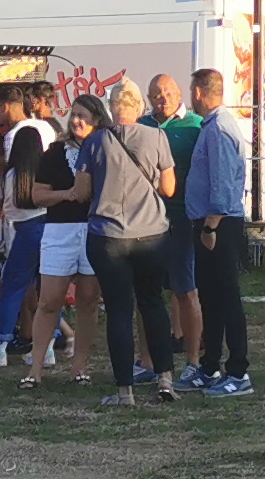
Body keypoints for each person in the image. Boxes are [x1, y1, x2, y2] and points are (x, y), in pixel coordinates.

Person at [74, 90, 182, 408]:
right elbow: (169, 188)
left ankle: (125, 391)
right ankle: (165, 379)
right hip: (151, 233)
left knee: (119, 310)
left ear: (111, 107)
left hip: (108, 235)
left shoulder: (94, 142)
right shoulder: (156, 136)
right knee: (152, 303)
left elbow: (81, 192)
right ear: (139, 106)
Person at [179, 65, 255, 397]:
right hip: (208, 223)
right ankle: (210, 365)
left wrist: (211, 225)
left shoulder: (219, 129)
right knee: (210, 298)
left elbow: (223, 184)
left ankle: (238, 371)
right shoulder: (211, 126)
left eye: (191, 91)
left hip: (219, 225)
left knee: (226, 297)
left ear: (198, 92)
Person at [14, 96, 97, 388]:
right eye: (73, 114)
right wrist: (67, 195)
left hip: (94, 229)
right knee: (49, 300)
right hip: (59, 230)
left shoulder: (105, 149)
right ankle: (35, 369)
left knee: (88, 300)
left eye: (83, 115)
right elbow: (37, 195)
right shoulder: (55, 152)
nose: (76, 121)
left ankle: (79, 366)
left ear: (97, 119)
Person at [0, 81, 64, 370]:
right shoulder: (47, 169)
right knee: (49, 289)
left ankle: (0, 347)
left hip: (25, 230)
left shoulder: (13, 176)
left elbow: (11, 209)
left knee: (13, 286)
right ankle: (49, 347)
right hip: (50, 227)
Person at [149, 72, 203, 374]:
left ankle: (193, 360)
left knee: (186, 289)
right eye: (157, 93)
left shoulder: (195, 126)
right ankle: (148, 361)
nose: (163, 98)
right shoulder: (142, 126)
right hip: (147, 220)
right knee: (148, 292)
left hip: (183, 217)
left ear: (180, 93)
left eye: (168, 92)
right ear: (148, 98)